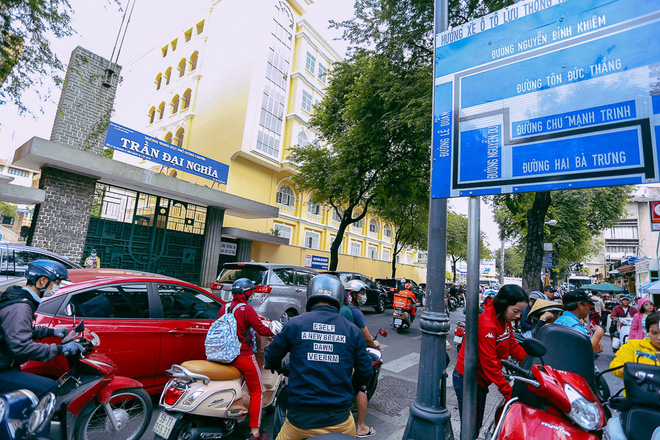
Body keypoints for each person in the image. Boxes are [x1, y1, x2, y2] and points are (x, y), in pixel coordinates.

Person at [265, 274, 373, 440]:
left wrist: (278, 366)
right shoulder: (351, 330)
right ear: (338, 296)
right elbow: (365, 371)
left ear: (311, 295)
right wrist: (351, 389)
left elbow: (271, 355)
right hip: (341, 421)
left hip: (299, 422)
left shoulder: (295, 324)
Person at [0, 260, 85, 397]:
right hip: (2, 368)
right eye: (56, 283)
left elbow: (16, 330)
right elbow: (21, 347)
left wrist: (52, 331)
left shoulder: (21, 298)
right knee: (48, 387)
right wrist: (61, 349)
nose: (57, 286)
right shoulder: (21, 307)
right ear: (42, 281)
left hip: (6, 363)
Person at [453, 284, 528, 435]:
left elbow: (512, 345)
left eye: (521, 312)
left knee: (475, 425)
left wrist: (533, 362)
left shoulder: (504, 320)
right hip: (468, 380)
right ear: (504, 304)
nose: (518, 316)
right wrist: (508, 392)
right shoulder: (487, 323)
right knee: (470, 428)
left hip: (481, 381)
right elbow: (489, 364)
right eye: (516, 311)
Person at [219, 278, 276, 440]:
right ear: (246, 292)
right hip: (242, 356)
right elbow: (261, 329)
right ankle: (255, 432)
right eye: (251, 291)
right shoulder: (246, 309)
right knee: (257, 391)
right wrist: (275, 333)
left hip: (223, 356)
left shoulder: (224, 307)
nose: (252, 294)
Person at [345, 279, 379, 438]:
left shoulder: (343, 309)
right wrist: (375, 343)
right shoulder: (355, 311)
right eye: (362, 292)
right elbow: (366, 337)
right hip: (352, 352)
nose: (364, 296)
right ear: (352, 294)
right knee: (362, 385)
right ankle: (361, 427)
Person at [610, 313, 660, 377]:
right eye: (654, 333)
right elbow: (615, 365)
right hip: (637, 386)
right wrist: (630, 371)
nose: (659, 338)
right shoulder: (633, 345)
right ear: (647, 332)